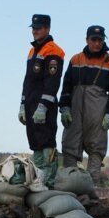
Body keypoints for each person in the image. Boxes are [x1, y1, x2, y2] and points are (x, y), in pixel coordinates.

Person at [59, 24, 109, 183]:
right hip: (75, 110)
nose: (96, 43)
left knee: (96, 148)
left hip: (97, 112)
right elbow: (66, 87)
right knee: (70, 146)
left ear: (103, 41)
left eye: (100, 40)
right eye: (93, 39)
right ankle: (69, 185)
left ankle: (91, 188)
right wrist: (64, 107)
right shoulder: (76, 60)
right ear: (87, 40)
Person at [18, 13, 65, 186]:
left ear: (47, 28)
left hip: (44, 106)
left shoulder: (53, 51)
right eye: (34, 29)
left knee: (46, 142)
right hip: (31, 103)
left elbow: (52, 83)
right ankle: (37, 178)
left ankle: (49, 180)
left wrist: (43, 107)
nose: (35, 32)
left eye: (38, 29)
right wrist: (22, 104)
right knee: (35, 143)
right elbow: (27, 81)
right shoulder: (32, 51)